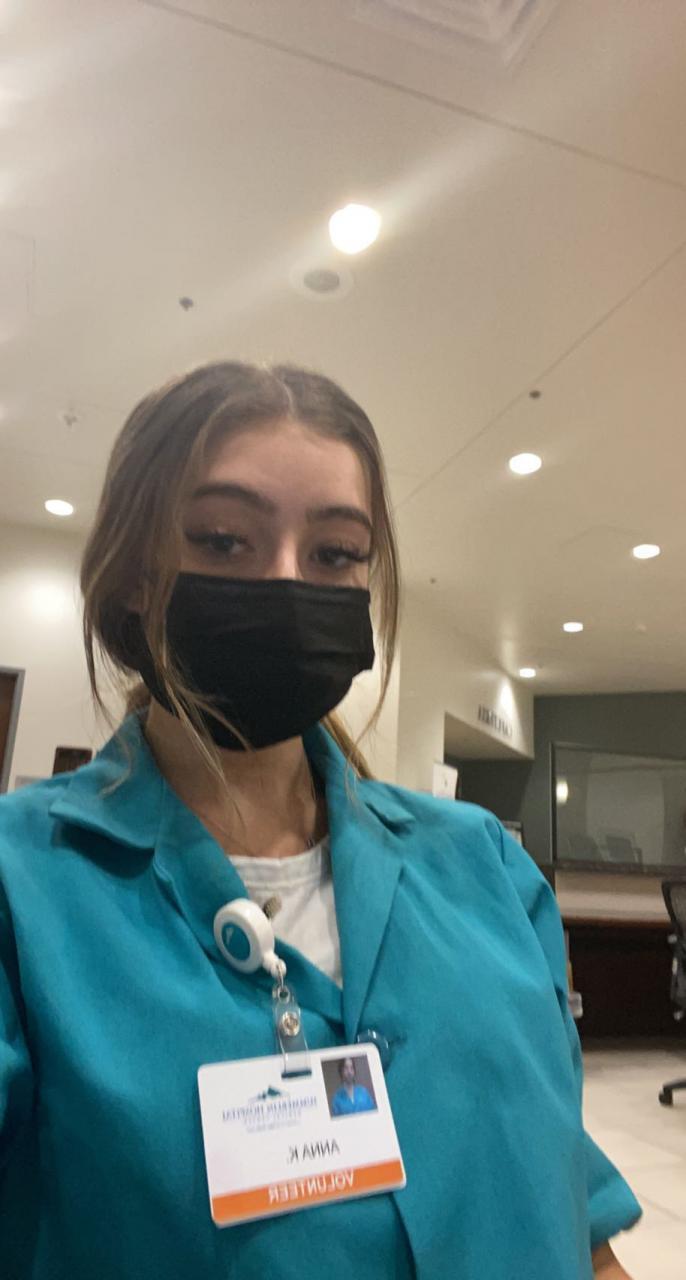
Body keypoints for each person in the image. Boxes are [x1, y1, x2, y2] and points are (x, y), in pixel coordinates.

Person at [0, 361, 639, 1279]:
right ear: (136, 576)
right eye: (225, 540)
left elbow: (573, 1213)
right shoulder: (22, 888)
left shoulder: (488, 869)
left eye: (336, 554)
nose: (286, 583)